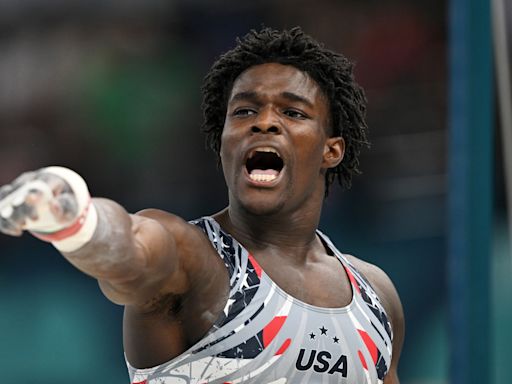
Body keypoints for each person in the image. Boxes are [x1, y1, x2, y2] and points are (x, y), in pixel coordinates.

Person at [0, 27, 404, 383]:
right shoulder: (191, 258)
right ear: (223, 141)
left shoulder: (375, 295)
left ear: (331, 150)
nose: (262, 122)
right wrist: (73, 217)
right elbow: (129, 249)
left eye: (292, 111)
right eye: (243, 110)